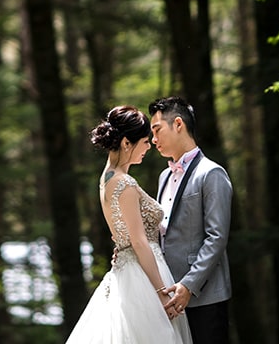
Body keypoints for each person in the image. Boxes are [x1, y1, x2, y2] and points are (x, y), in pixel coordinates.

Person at [65, 105, 192, 344]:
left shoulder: (106, 178)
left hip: (128, 268)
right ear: (126, 143)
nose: (149, 147)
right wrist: (161, 293)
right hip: (143, 274)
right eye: (144, 142)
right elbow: (139, 241)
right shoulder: (125, 183)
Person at [148, 96, 232, 344]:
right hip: (169, 296)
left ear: (177, 124)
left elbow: (217, 237)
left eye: (157, 130)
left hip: (205, 296)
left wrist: (189, 285)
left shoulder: (212, 173)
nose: (153, 140)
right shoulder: (164, 176)